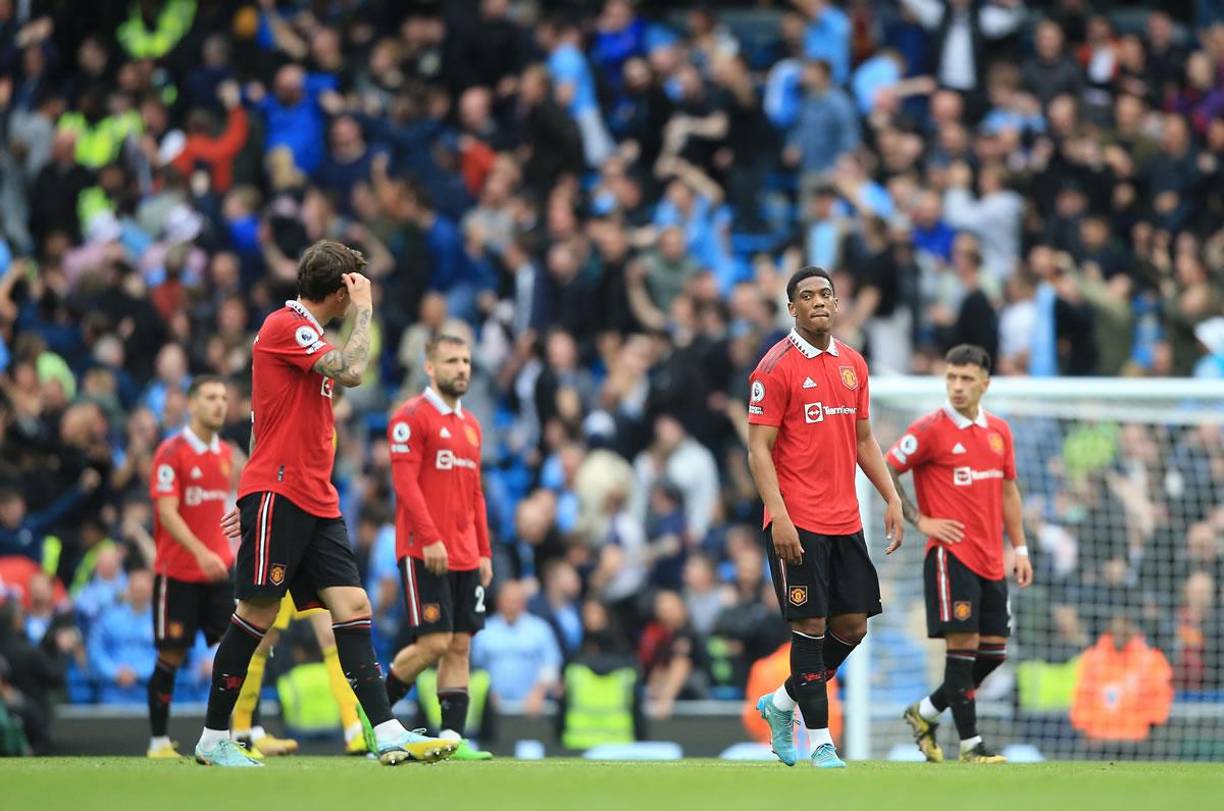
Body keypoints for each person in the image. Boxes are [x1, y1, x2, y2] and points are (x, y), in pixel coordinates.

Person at [200, 241, 456, 767]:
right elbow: (353, 371)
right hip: (282, 491)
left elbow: (263, 420)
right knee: (257, 613)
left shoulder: (307, 334)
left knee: (354, 608)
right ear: (340, 291)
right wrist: (365, 313)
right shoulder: (285, 325)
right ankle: (212, 737)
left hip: (314, 497)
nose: (361, 293)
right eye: (355, 285)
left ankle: (385, 731)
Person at [747, 265, 904, 770]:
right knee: (810, 627)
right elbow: (758, 450)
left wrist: (892, 498)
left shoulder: (853, 364)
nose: (819, 302)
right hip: (797, 522)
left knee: (853, 627)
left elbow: (863, 440)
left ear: (837, 305)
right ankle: (819, 741)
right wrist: (780, 516)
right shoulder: (773, 369)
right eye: (808, 296)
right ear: (791, 308)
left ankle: (783, 701)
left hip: (845, 520)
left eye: (827, 295)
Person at [889, 345, 1034, 764]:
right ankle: (971, 746)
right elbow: (884, 466)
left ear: (984, 384)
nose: (957, 386)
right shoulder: (931, 428)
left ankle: (926, 712)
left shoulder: (999, 432)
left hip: (992, 559)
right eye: (951, 377)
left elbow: (1008, 491)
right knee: (964, 645)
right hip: (951, 556)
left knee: (993, 653)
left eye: (966, 378)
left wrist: (1020, 547)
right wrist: (919, 520)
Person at [382, 334, 494, 761]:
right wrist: (429, 537)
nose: (462, 368)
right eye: (452, 361)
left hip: (466, 553)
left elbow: (476, 493)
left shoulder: (471, 426)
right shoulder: (411, 417)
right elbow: (405, 484)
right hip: (424, 549)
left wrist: (483, 550)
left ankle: (452, 737)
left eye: (466, 360)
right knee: (433, 643)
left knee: (460, 645)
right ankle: (375, 718)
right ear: (430, 368)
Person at [144, 376, 239, 759]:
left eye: (223, 397)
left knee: (233, 652)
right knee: (171, 656)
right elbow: (166, 512)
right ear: (191, 404)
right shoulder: (171, 452)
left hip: (218, 570)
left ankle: (226, 736)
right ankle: (158, 742)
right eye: (210, 397)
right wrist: (200, 551)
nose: (219, 404)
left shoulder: (227, 454)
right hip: (178, 573)